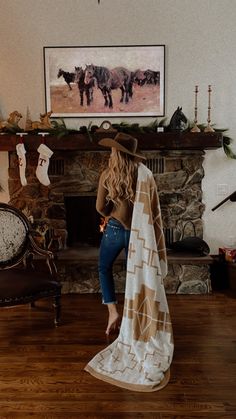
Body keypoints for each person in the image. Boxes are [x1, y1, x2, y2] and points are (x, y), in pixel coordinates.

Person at [96, 132, 146, 335]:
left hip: (115, 230)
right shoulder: (142, 174)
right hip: (137, 232)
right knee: (133, 274)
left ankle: (112, 312)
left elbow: (100, 207)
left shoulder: (107, 174)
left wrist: (110, 214)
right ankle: (132, 315)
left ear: (116, 152)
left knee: (103, 267)